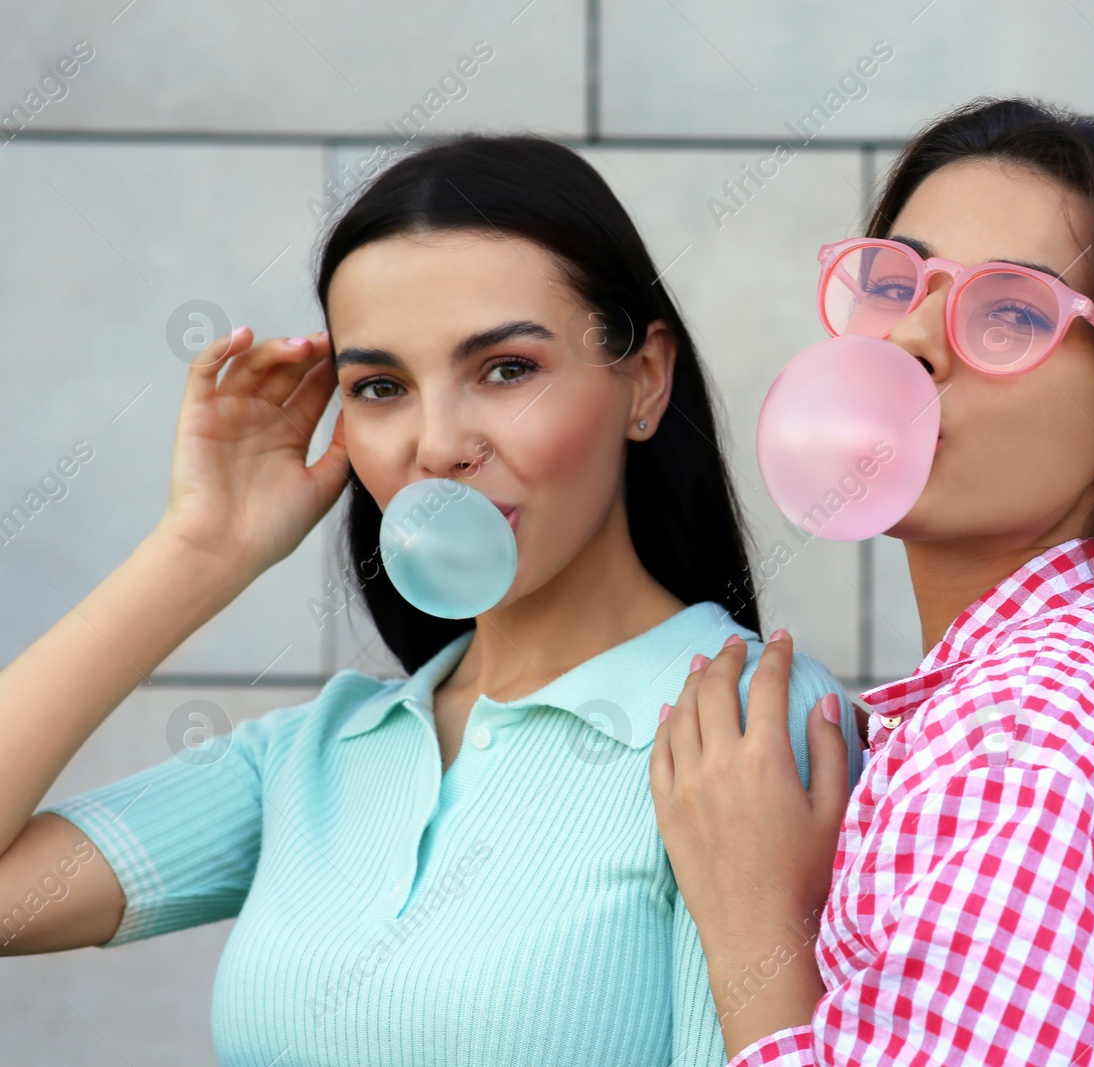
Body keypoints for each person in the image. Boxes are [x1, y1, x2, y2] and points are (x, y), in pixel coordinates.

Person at [0, 134, 862, 1067]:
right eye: (381, 387)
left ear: (644, 381)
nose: (439, 443)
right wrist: (197, 553)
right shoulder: (314, 756)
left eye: (506, 369)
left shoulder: (748, 731)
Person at [653, 97, 1094, 1065]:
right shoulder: (1056, 708)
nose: (909, 341)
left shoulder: (1036, 750)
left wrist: (752, 915)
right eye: (894, 284)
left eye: (1012, 312)